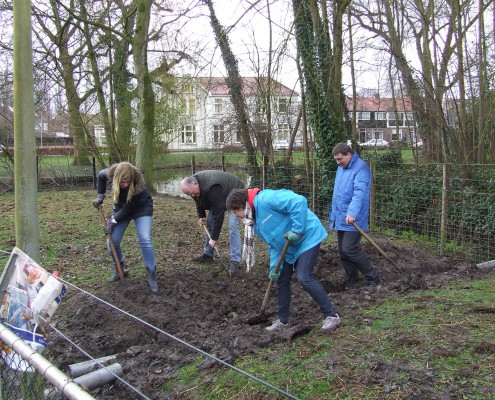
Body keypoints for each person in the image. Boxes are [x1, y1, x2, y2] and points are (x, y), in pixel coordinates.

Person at [226, 188, 341, 333]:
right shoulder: (255, 222)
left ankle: (331, 315)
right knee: (281, 278)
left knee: (304, 276)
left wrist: (297, 230)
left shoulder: (265, 199)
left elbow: (298, 201)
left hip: (307, 237)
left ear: (242, 205)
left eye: (235, 212)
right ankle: (283, 320)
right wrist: (275, 267)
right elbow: (273, 244)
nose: (236, 216)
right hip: (289, 246)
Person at [92, 162, 158, 294]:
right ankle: (120, 270)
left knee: (145, 238)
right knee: (112, 241)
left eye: (128, 182)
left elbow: (128, 209)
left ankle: (151, 273)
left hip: (142, 207)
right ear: (116, 179)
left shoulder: (138, 186)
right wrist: (100, 195)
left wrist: (112, 222)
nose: (126, 185)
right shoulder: (109, 173)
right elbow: (100, 176)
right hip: (120, 207)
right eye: (123, 182)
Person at [329, 143, 381, 289]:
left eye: (340, 159)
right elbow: (338, 193)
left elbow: (360, 193)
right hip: (340, 216)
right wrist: (334, 214)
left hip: (353, 217)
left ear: (349, 155)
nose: (338, 163)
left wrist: (352, 212)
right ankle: (352, 282)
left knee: (349, 249)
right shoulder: (341, 168)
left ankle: (374, 278)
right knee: (343, 252)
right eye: (336, 160)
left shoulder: (361, 169)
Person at [180, 170, 246, 276]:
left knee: (232, 226)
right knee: (209, 222)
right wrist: (201, 216)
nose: (192, 195)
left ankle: (235, 261)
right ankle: (208, 254)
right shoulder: (193, 186)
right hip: (220, 197)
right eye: (189, 194)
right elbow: (198, 200)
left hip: (236, 192)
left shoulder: (211, 188)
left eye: (192, 192)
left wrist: (214, 238)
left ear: (196, 184)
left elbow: (219, 215)